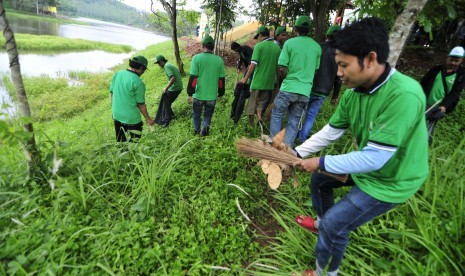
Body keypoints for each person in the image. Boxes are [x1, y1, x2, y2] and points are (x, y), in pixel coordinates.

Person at [292, 17, 428, 276]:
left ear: (370, 58)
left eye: (344, 65)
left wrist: (320, 162)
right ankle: (322, 225)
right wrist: (298, 152)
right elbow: (331, 131)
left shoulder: (404, 95)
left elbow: (375, 158)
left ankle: (324, 272)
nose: (339, 73)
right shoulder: (354, 94)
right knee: (320, 181)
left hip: (391, 180)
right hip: (371, 166)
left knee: (335, 224)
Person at [269, 15, 321, 146]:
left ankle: (274, 147)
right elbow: (315, 70)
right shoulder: (316, 47)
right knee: (294, 121)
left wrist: (289, 77)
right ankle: (286, 150)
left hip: (289, 87)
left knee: (277, 115)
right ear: (310, 30)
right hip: (305, 91)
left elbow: (282, 68)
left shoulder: (289, 43)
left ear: (296, 28)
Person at [298, 25, 342, 143]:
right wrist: (335, 96)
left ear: (327, 35)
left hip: (308, 86)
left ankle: (293, 137)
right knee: (311, 116)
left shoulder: (317, 47)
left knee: (300, 112)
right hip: (324, 90)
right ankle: (302, 140)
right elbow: (339, 78)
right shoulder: (340, 54)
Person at [421, 46, 465, 143]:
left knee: (430, 125)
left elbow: (455, 93)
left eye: (456, 61)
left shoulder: (461, 75)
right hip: (424, 101)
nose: (453, 63)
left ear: (461, 60)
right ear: (447, 58)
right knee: (418, 121)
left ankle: (424, 144)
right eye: (451, 60)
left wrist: (444, 106)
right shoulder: (436, 69)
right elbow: (423, 83)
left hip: (439, 105)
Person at [239, 26, 281, 127]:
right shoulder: (277, 48)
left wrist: (245, 78)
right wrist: (277, 83)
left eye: (258, 36)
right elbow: (278, 68)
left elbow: (253, 64)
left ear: (261, 35)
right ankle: (259, 118)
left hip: (258, 81)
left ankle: (252, 125)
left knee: (251, 105)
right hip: (269, 83)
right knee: (261, 104)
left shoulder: (259, 46)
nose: (257, 38)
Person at [187, 35, 225, 136]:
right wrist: (221, 93)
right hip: (211, 96)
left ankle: (196, 130)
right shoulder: (219, 60)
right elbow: (221, 80)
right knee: (208, 115)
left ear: (203, 46)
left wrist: (190, 94)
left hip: (198, 95)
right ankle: (204, 132)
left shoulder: (196, 58)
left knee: (196, 114)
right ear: (213, 47)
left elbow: (193, 78)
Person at [110, 55, 154, 142]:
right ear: (141, 68)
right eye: (144, 70)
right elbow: (141, 104)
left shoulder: (118, 74)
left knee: (121, 141)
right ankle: (133, 154)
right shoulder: (138, 82)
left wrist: (114, 110)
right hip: (132, 119)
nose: (143, 72)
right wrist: (148, 119)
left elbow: (112, 93)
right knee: (134, 142)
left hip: (117, 115)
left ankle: (123, 154)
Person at [153, 55, 183, 127]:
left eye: (159, 63)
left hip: (175, 87)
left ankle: (167, 120)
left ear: (161, 61)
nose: (159, 65)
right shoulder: (168, 64)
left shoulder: (166, 66)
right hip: (178, 87)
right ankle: (171, 114)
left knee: (165, 102)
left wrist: (166, 88)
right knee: (166, 101)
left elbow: (173, 78)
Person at [231, 41, 254, 124]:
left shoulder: (246, 48)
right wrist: (239, 67)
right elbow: (241, 59)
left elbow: (252, 57)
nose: (235, 51)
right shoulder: (240, 51)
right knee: (245, 78)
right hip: (248, 66)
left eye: (235, 49)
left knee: (249, 78)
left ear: (237, 46)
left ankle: (250, 88)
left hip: (253, 66)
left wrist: (250, 64)